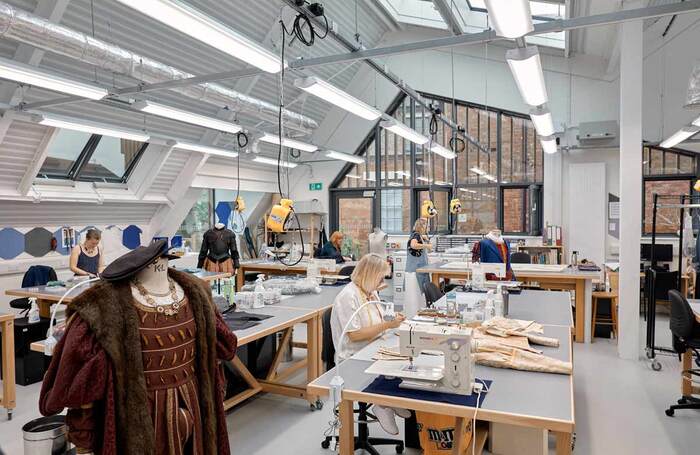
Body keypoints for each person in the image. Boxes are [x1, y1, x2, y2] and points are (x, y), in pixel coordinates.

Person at [40, 240, 237, 454]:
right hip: (136, 420)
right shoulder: (103, 307)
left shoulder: (197, 293)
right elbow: (82, 387)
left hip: (195, 404)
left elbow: (221, 350)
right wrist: (84, 440)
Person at [330, 253, 409, 435]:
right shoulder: (348, 297)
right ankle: (382, 404)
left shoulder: (369, 291)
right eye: (380, 277)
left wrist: (393, 320)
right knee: (394, 363)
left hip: (372, 347)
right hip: (353, 356)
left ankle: (391, 399)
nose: (382, 281)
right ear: (370, 275)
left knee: (405, 356)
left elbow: (379, 320)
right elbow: (356, 335)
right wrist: (388, 325)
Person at [406, 218, 432, 293]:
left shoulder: (416, 235)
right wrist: (427, 246)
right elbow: (413, 245)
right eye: (427, 226)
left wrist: (424, 238)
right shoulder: (416, 235)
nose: (429, 228)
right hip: (417, 270)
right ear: (422, 226)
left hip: (414, 269)